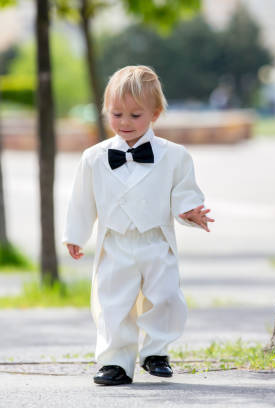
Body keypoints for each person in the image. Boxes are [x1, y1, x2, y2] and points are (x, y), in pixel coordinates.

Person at [62, 65, 214, 386]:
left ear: (155, 114)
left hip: (156, 241)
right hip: (115, 242)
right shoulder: (93, 158)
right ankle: (116, 361)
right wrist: (76, 235)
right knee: (113, 303)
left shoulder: (174, 156)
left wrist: (190, 213)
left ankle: (156, 351)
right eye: (117, 114)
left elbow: (184, 193)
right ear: (106, 112)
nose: (125, 123)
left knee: (167, 296)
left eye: (135, 115)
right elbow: (82, 201)